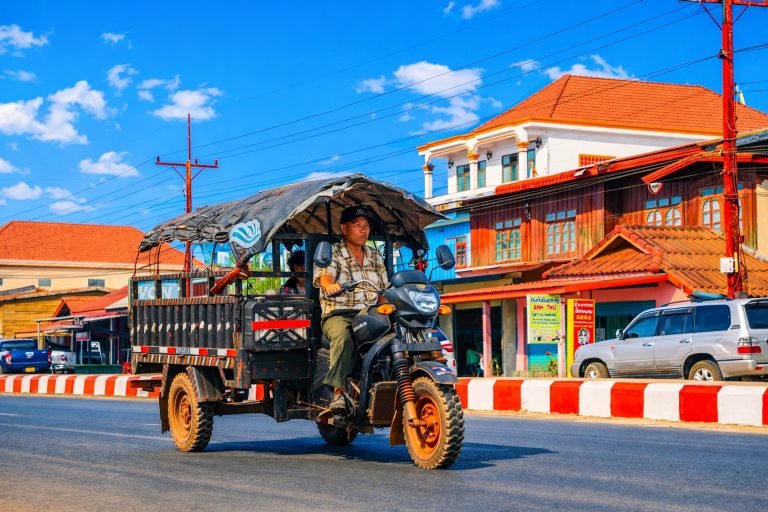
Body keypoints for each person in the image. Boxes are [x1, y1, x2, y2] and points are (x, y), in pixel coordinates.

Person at [313, 206, 389, 412]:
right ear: (344, 228)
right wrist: (330, 286)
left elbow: (383, 290)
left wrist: (387, 307)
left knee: (396, 333)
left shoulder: (374, 256)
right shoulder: (334, 253)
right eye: (357, 226)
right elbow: (324, 276)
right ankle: (337, 391)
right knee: (344, 337)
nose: (363, 230)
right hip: (339, 314)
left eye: (366, 226)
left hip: (369, 314)